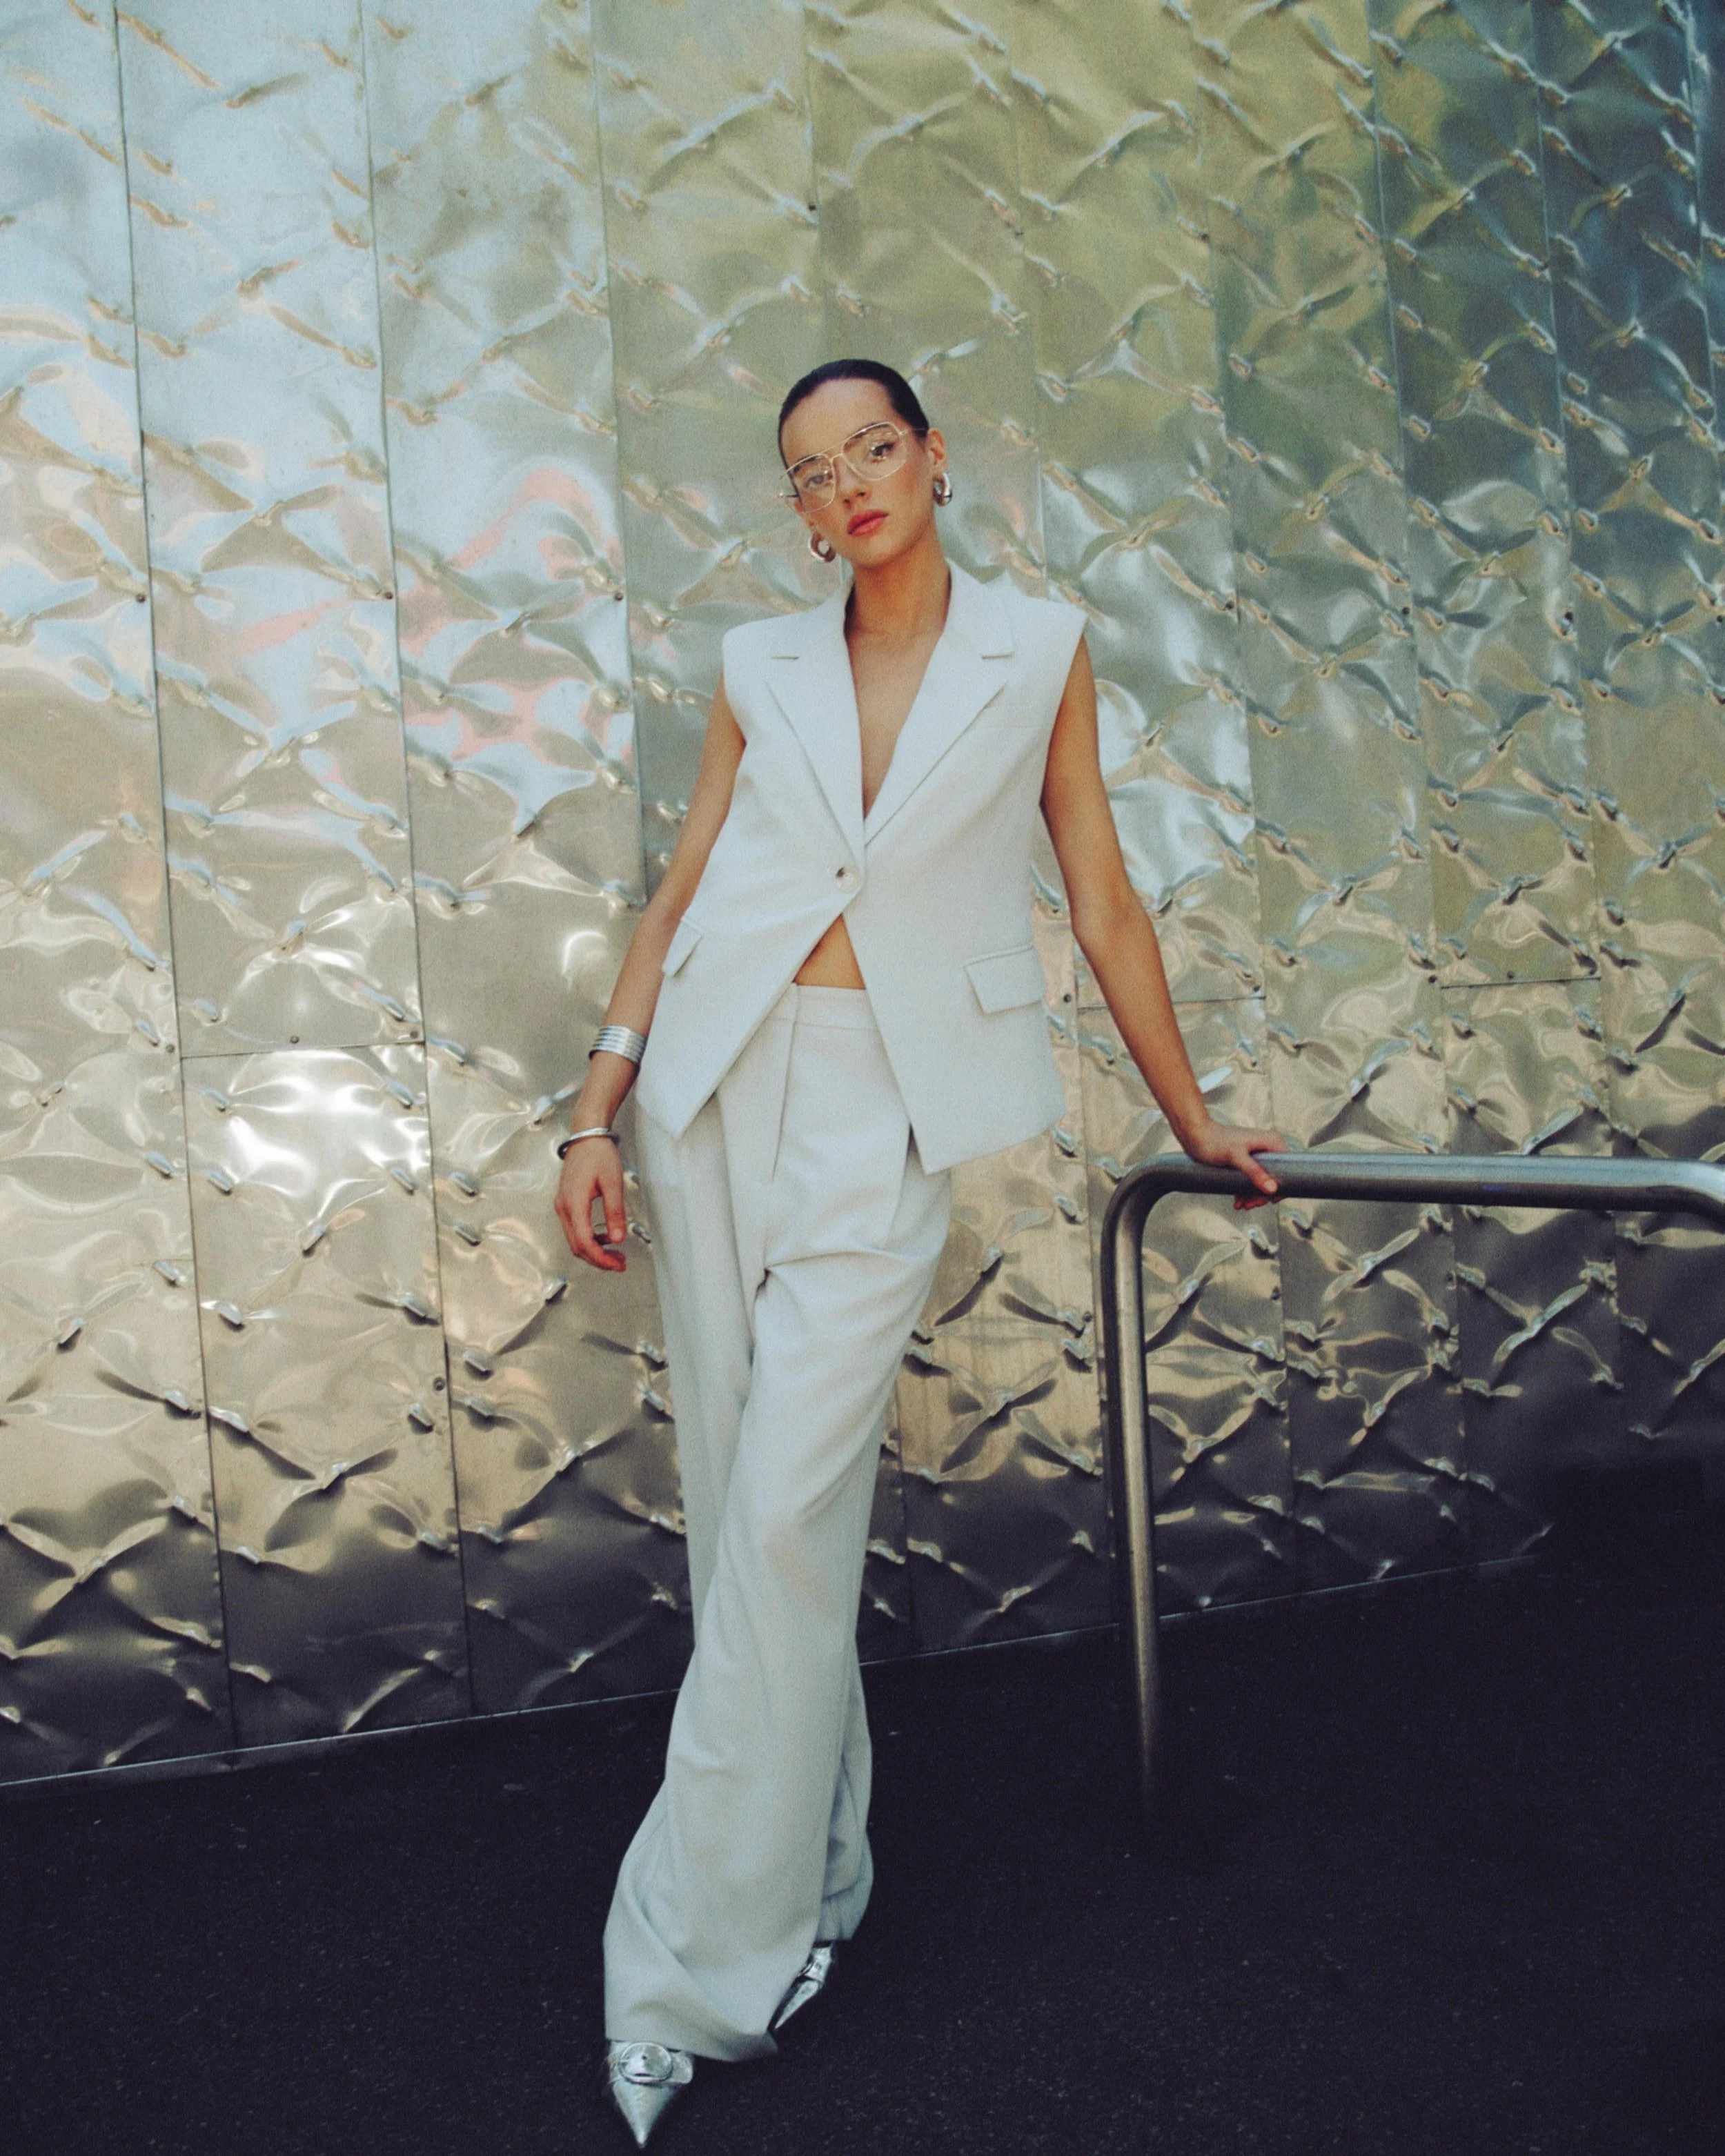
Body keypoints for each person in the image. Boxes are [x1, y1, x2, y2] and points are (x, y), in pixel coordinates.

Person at [553, 357, 1283, 2145]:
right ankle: (816, 1865)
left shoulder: (1036, 649)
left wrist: (1187, 1112)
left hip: (890, 1106)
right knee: (748, 1505)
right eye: (809, 471)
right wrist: (595, 1104)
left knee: (793, 1507)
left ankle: (687, 1968)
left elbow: (1096, 886)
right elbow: (683, 885)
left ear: (934, 458)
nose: (844, 486)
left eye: (870, 448)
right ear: (796, 509)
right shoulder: (759, 666)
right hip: (715, 1091)